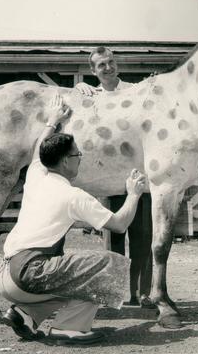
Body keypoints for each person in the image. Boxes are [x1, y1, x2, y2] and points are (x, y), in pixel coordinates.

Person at [0, 94, 147, 345]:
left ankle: (24, 315)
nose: (80, 159)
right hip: (26, 274)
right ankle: (69, 328)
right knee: (107, 265)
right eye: (77, 155)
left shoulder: (37, 173)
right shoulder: (73, 195)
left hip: (5, 276)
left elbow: (38, 149)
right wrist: (133, 194)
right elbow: (120, 224)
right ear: (66, 160)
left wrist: (52, 121)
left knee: (70, 276)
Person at [75, 46, 154, 309]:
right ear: (93, 71)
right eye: (101, 65)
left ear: (116, 63)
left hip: (136, 174)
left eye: (110, 62)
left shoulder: (134, 90)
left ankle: (142, 293)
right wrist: (79, 88)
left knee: (142, 236)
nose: (107, 68)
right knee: (114, 238)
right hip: (109, 178)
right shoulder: (91, 94)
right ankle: (118, 293)